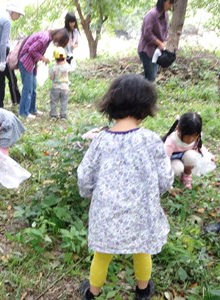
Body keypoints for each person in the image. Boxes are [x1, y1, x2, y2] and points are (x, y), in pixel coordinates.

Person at [77, 74, 174, 300]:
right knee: (143, 250)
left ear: (111, 104)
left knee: (102, 254)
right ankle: (142, 290)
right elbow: (166, 179)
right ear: (145, 107)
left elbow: (84, 176)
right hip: (143, 212)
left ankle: (92, 292)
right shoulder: (151, 140)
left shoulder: (100, 140)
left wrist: (89, 193)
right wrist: (154, 191)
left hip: (106, 213)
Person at [18, 28, 69, 120]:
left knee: (33, 88)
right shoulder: (44, 38)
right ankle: (23, 112)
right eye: (60, 42)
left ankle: (32, 109)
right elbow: (31, 50)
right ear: (59, 36)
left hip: (32, 64)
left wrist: (40, 59)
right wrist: (43, 58)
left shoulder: (48, 38)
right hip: (25, 62)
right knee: (28, 88)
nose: (57, 44)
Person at [163, 112, 213, 189]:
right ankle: (174, 177)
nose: (190, 139)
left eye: (194, 136)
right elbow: (164, 160)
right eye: (188, 136)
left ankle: (186, 175)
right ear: (178, 129)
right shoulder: (171, 141)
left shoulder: (196, 138)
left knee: (192, 156)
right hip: (172, 161)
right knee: (177, 169)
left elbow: (200, 147)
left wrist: (209, 156)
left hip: (186, 158)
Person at [0, 2, 24, 108]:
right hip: (2, 51)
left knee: (0, 78)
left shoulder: (0, 17)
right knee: (11, 77)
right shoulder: (7, 21)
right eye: (18, 15)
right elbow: (3, 42)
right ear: (13, 12)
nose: (18, 17)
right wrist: (2, 60)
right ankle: (17, 101)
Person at [137, 0, 175, 81]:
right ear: (164, 1)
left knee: (152, 77)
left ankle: (142, 90)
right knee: (150, 78)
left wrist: (164, 42)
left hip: (157, 51)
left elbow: (165, 31)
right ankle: (137, 89)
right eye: (170, 3)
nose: (171, 6)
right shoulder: (151, 15)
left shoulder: (166, 15)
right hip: (146, 50)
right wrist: (159, 43)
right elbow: (146, 33)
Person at [49, 47, 72, 119]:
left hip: (55, 87)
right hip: (65, 88)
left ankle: (53, 115)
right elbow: (70, 73)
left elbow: (51, 78)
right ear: (65, 58)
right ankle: (63, 116)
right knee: (64, 102)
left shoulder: (53, 67)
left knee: (54, 102)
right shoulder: (68, 66)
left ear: (55, 59)